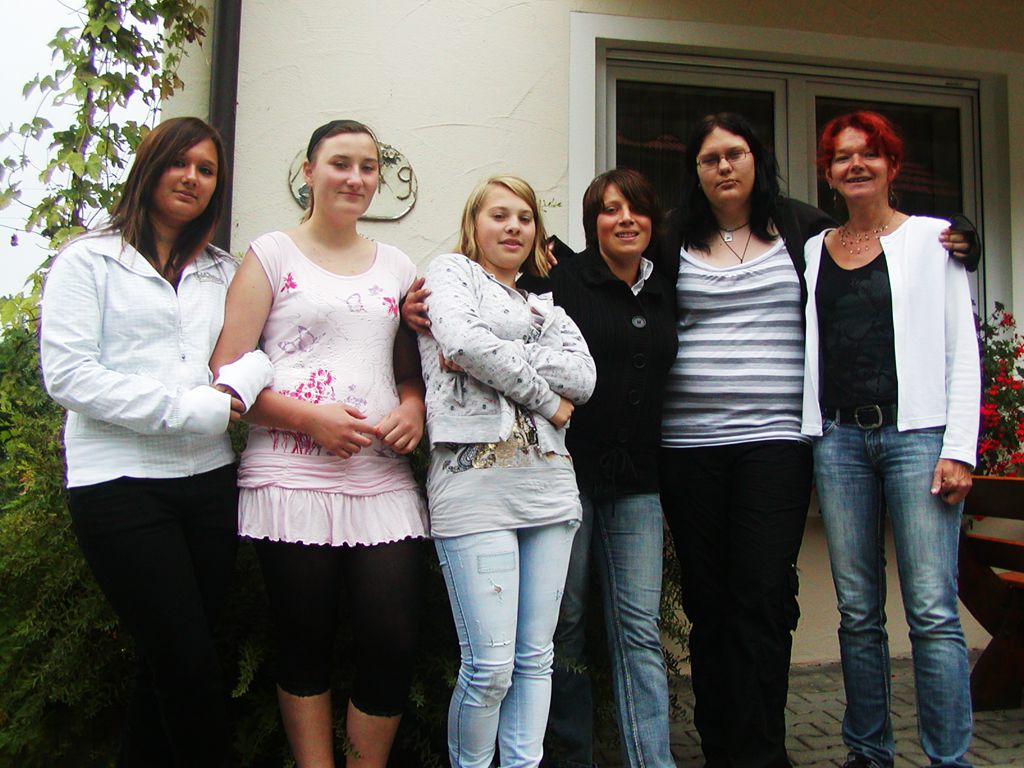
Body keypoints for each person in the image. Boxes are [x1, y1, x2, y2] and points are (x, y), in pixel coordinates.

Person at [657, 112, 980, 768]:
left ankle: (926, 758)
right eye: (710, 158)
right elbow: (619, 280)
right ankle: (810, 751)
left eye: (736, 153)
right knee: (787, 607)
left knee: (899, 609)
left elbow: (949, 327)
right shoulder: (710, 239)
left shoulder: (841, 233)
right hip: (763, 442)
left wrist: (960, 447)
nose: (724, 166)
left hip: (842, 441)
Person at [39, 117, 268, 767]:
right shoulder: (88, 260)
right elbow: (69, 375)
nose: (192, 177)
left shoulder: (224, 270)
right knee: (188, 663)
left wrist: (235, 389)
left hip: (209, 484)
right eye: (179, 163)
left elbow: (262, 351)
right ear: (149, 168)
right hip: (119, 486)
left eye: (207, 169)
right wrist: (186, 409)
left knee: (165, 663)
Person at [209, 119, 428, 768]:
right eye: (340, 163)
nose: (355, 178)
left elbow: (410, 371)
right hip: (290, 480)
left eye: (367, 167)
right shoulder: (271, 255)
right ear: (309, 171)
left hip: (381, 481)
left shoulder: (398, 265)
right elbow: (227, 377)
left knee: (392, 641)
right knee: (304, 641)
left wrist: (413, 408)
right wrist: (310, 421)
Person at [802, 110, 979, 768]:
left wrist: (959, 449)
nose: (855, 165)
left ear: (892, 166)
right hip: (840, 441)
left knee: (931, 610)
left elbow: (963, 350)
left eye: (868, 154)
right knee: (857, 611)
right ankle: (868, 752)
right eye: (841, 157)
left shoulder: (935, 240)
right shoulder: (814, 251)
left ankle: (949, 758)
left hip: (918, 439)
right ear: (828, 174)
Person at [419, 175, 596, 768]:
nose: (514, 226)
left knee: (535, 659)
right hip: (474, 491)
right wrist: (546, 399)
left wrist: (496, 345)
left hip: (550, 491)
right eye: (499, 215)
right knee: (490, 666)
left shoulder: (545, 307)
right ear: (474, 224)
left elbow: (585, 378)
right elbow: (461, 342)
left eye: (525, 217)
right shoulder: (450, 274)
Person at [515, 169, 678, 768]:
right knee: (565, 622)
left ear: (653, 220)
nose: (625, 219)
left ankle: (652, 761)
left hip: (638, 482)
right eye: (610, 210)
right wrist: (421, 305)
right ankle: (570, 756)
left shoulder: (667, 286)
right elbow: (490, 297)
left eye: (637, 209)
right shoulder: (559, 280)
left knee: (639, 628)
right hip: (566, 475)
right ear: (593, 224)